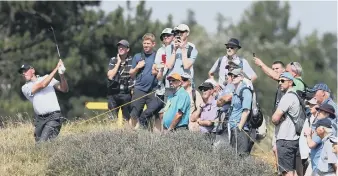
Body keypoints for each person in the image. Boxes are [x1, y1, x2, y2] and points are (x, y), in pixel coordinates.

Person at [19, 60, 68, 143]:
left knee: (42, 144)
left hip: (54, 117)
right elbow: (42, 85)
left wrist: (61, 75)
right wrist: (56, 68)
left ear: (33, 70)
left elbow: (64, 89)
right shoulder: (25, 87)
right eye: (22, 72)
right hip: (40, 120)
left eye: (26, 70)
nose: (24, 73)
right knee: (40, 146)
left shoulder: (47, 77)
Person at [129, 33, 164, 130]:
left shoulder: (158, 56)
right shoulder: (137, 56)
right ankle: (131, 135)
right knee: (134, 115)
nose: (146, 45)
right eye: (144, 43)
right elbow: (131, 74)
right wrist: (137, 67)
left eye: (148, 43)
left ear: (153, 44)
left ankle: (155, 138)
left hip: (153, 90)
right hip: (139, 90)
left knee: (156, 115)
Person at [272, 72, 300, 176]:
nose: (280, 83)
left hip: (285, 140)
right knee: (292, 171)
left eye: (283, 81)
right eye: (279, 81)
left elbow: (275, 118)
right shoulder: (296, 95)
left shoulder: (287, 97)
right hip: (293, 139)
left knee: (286, 172)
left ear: (290, 82)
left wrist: (274, 119)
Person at [164, 24, 198, 99]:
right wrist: (174, 50)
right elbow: (169, 66)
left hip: (184, 86)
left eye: (181, 32)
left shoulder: (192, 50)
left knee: (183, 109)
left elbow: (186, 66)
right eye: (177, 32)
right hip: (171, 85)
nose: (179, 34)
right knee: (168, 109)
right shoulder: (169, 48)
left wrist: (183, 49)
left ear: (187, 33)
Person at [227, 68, 253, 156]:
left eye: (235, 76)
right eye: (231, 76)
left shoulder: (245, 91)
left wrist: (239, 127)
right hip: (233, 128)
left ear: (241, 77)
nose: (233, 77)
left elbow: (246, 111)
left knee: (241, 157)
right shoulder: (235, 92)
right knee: (234, 157)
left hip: (241, 129)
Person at [107, 40, 134, 121]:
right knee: (112, 119)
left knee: (127, 118)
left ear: (127, 49)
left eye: (123, 47)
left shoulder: (132, 60)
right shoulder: (113, 60)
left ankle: (126, 134)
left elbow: (134, 76)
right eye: (119, 47)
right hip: (113, 93)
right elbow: (110, 76)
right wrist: (118, 62)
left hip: (126, 93)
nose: (120, 48)